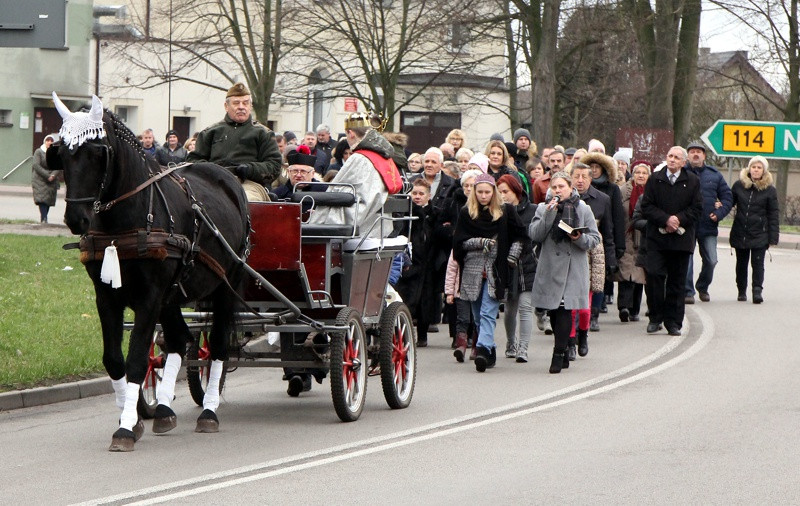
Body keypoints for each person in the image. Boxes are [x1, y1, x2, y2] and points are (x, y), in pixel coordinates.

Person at [452, 173, 527, 372]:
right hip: (473, 269)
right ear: (474, 193)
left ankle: (483, 349)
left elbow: (521, 236)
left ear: (493, 192)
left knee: (487, 311)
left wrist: (512, 257)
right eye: (480, 192)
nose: (483, 195)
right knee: (477, 315)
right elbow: (458, 243)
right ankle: (491, 349)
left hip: (497, 268)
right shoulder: (466, 213)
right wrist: (479, 242)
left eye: (487, 192)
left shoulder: (506, 211)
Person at [529, 171, 601, 373]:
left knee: (564, 308)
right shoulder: (543, 208)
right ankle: (564, 347)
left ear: (571, 188)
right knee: (554, 309)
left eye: (562, 187)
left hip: (573, 267)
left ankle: (558, 353)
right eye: (554, 187)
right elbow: (535, 234)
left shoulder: (583, 208)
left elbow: (594, 239)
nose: (558, 190)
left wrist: (578, 237)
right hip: (550, 267)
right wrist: (548, 214)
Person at [307, 111, 403, 238]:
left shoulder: (359, 158)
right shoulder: (383, 156)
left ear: (350, 133)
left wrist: (317, 220)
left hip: (361, 231)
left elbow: (338, 193)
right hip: (380, 227)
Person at [640, 146, 702, 336]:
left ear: (684, 162)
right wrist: (665, 219)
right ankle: (655, 318)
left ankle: (673, 321)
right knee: (655, 278)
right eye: (670, 156)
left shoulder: (692, 181)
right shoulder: (655, 179)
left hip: (681, 240)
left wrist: (678, 220)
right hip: (657, 239)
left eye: (677, 157)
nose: (672, 160)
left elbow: (697, 208)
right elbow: (647, 206)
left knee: (676, 282)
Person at [187, 82, 282, 201]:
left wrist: (249, 169)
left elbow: (274, 166)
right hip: (214, 183)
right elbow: (193, 161)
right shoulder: (210, 132)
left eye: (245, 103)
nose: (241, 107)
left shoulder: (263, 133)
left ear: (250, 106)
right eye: (236, 103)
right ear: (226, 106)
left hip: (249, 184)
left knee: (246, 200)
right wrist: (212, 170)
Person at [683, 141, 733, 304]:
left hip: (708, 224)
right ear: (688, 155)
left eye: (699, 152)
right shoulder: (681, 173)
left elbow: (727, 198)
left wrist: (719, 214)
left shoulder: (714, 175)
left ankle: (702, 287)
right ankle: (688, 291)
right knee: (687, 260)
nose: (695, 154)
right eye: (692, 152)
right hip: (687, 225)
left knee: (711, 260)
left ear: (704, 155)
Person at [571, 161, 615, 337]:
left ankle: (590, 320)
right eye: (576, 176)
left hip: (594, 251)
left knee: (592, 289)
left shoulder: (602, 199)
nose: (580, 180)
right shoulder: (565, 198)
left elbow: (608, 230)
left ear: (591, 179)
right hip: (571, 251)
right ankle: (571, 333)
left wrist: (612, 256)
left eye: (584, 176)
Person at [497, 174, 537, 362]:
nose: (502, 195)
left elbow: (533, 235)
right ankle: (511, 343)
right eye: (500, 192)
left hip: (528, 264)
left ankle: (523, 348)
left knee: (525, 307)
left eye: (506, 191)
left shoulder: (533, 210)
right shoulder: (497, 211)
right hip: (508, 266)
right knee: (510, 308)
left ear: (516, 191)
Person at [581, 151, 626, 321]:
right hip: (581, 238)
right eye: (590, 167)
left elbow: (616, 218)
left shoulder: (611, 189)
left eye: (596, 167)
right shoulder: (580, 189)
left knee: (599, 278)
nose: (594, 170)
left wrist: (617, 246)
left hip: (601, 239)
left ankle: (594, 313)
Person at [729, 156, 779, 303]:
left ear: (764, 171)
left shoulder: (770, 190)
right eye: (753, 167)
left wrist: (773, 237)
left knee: (758, 263)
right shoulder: (739, 185)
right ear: (749, 169)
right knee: (741, 263)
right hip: (741, 231)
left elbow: (773, 214)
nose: (756, 170)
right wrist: (719, 206)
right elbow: (729, 202)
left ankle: (757, 291)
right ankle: (741, 290)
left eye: (759, 167)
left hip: (760, 233)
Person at [446, 167, 482, 361]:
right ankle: (460, 344)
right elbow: (452, 268)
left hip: (477, 285)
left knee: (477, 319)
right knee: (463, 318)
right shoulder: (459, 245)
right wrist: (449, 291)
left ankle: (476, 346)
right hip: (461, 289)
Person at [615, 161, 651, 322]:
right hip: (626, 236)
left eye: (644, 173)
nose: (641, 176)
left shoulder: (651, 192)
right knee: (625, 273)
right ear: (633, 174)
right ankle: (623, 307)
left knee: (639, 274)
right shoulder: (623, 191)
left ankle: (634, 309)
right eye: (638, 173)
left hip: (644, 237)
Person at [31, 134, 60, 223]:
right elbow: (36, 165)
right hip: (40, 179)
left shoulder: (55, 153)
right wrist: (47, 175)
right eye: (48, 140)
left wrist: (53, 175)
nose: (49, 142)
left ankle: (44, 217)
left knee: (48, 200)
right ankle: (44, 218)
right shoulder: (39, 152)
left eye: (51, 141)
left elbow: (58, 165)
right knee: (42, 200)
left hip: (52, 180)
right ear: (45, 141)